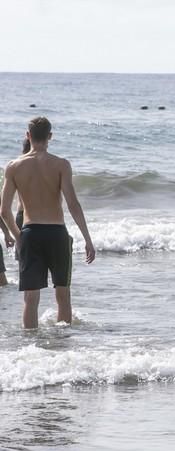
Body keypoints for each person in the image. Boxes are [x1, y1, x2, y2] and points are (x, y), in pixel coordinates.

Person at [0, 117, 96, 328]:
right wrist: (88, 239)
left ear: (28, 136)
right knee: (63, 295)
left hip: (30, 233)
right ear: (50, 136)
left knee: (31, 299)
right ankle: (62, 344)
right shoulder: (61, 164)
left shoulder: (14, 166)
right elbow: (73, 204)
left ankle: (31, 350)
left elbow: (4, 211)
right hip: (57, 234)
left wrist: (18, 238)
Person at [0, 139, 29, 286]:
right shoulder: (49, 165)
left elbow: (3, 209)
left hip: (22, 216)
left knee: (23, 265)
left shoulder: (16, 166)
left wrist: (9, 234)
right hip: (43, 221)